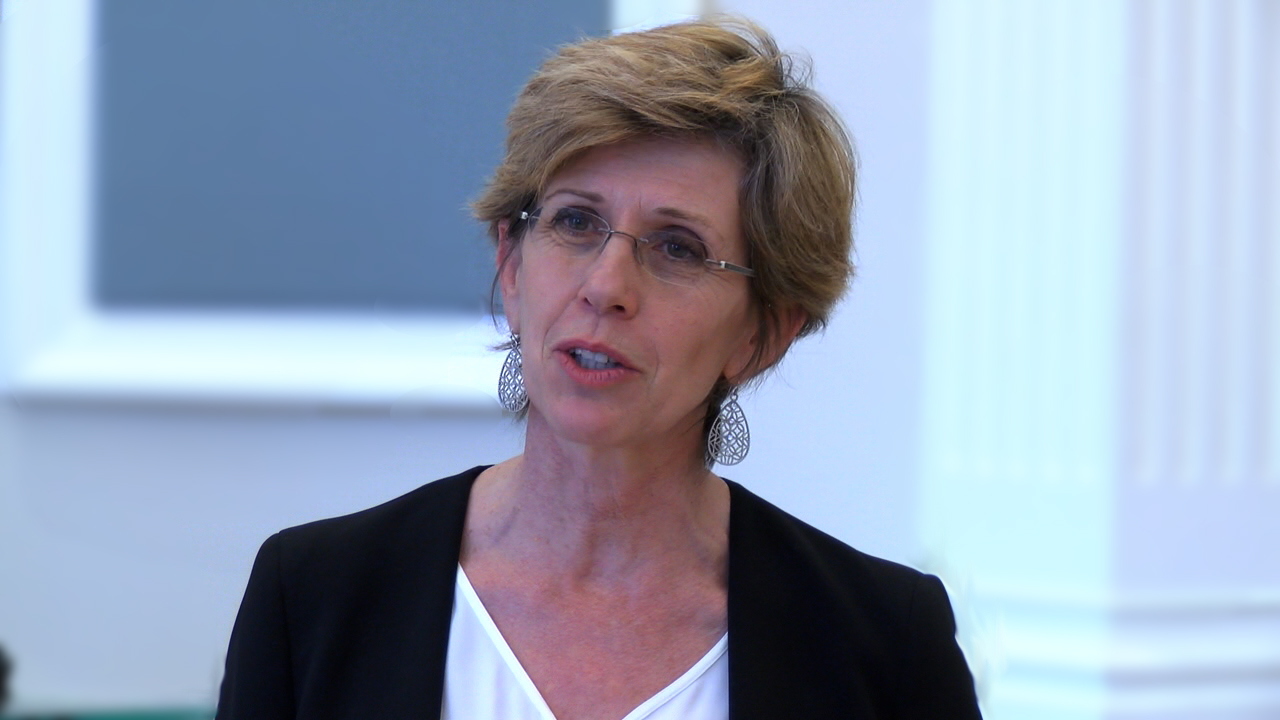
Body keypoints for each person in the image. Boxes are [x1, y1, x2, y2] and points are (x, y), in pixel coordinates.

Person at [216, 17, 981, 720]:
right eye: (576, 222)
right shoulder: (313, 596)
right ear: (511, 266)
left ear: (762, 335)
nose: (606, 286)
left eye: (677, 247)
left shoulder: (886, 646)